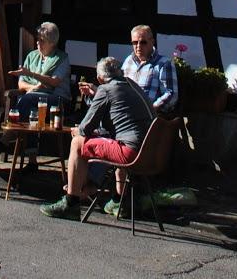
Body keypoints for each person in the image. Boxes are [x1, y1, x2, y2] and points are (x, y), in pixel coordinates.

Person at [40, 56, 153, 219]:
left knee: (78, 142)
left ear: (100, 78)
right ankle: (120, 200)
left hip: (131, 153)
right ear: (120, 72)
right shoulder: (132, 84)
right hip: (151, 152)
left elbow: (85, 129)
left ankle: (71, 202)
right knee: (112, 139)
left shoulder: (105, 89)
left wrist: (77, 130)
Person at [8, 21, 72, 121]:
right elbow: (21, 84)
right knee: (28, 101)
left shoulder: (62, 58)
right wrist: (34, 87)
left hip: (57, 99)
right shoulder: (32, 56)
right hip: (33, 97)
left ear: (52, 43)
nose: (37, 42)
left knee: (27, 100)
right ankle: (21, 134)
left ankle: (12, 133)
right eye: (37, 39)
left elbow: (54, 82)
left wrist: (31, 74)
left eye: (42, 40)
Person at [120, 24, 179, 114]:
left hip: (148, 116)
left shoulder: (164, 63)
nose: (138, 46)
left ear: (152, 42)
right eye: (135, 42)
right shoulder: (129, 60)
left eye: (143, 42)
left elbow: (171, 94)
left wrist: (151, 109)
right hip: (125, 112)